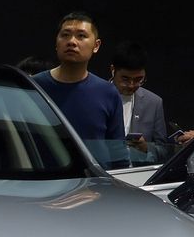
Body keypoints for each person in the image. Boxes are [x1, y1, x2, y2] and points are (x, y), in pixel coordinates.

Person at [30, 12, 126, 145]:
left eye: (81, 36)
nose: (71, 42)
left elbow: (118, 152)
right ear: (56, 42)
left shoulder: (108, 92)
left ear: (96, 45)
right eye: (65, 35)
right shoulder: (33, 87)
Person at [109, 41, 167, 155]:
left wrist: (147, 148)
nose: (131, 85)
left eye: (138, 80)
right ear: (113, 70)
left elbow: (164, 149)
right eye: (125, 79)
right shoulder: (97, 96)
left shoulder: (154, 102)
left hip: (137, 170)